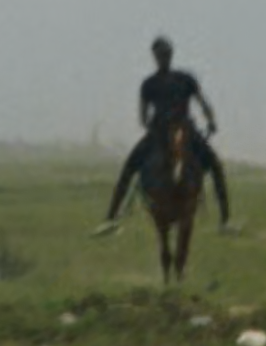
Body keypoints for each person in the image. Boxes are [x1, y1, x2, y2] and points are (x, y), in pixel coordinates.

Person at [94, 36, 233, 236]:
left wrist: (211, 121)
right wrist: (153, 126)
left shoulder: (185, 79)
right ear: (155, 57)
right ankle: (111, 218)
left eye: (165, 54)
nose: (163, 58)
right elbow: (143, 116)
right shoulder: (149, 84)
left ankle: (225, 221)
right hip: (160, 134)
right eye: (160, 55)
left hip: (185, 132)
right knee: (129, 166)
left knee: (216, 165)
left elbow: (202, 103)